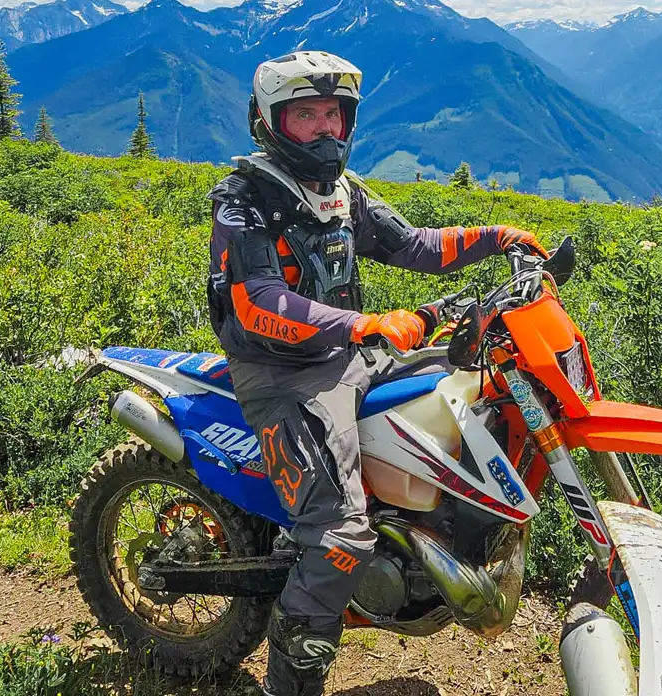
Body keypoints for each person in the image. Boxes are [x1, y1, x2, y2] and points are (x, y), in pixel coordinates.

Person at [206, 51, 544, 696]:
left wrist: (498, 236)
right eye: (305, 115)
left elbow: (410, 245)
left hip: (353, 356)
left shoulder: (340, 191)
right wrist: (362, 326)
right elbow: (257, 305)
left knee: (461, 388)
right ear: (269, 121)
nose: (325, 127)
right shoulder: (245, 200)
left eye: (333, 112)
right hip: (284, 374)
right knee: (339, 533)